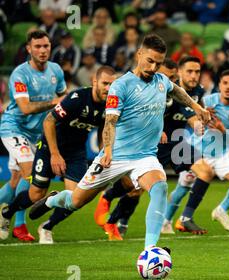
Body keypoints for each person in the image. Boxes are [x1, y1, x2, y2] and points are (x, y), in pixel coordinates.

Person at [26, 34, 210, 252]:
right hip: (115, 157)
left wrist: (198, 108)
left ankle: (150, 250)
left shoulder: (161, 82)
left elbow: (176, 91)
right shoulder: (121, 86)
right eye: (150, 61)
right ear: (139, 54)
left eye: (158, 63)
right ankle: (54, 200)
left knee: (159, 187)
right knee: (75, 202)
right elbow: (110, 122)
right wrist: (108, 151)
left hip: (145, 157)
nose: (153, 67)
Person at [0, 67, 115, 244]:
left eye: (112, 84)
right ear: (94, 81)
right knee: (36, 194)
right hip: (49, 148)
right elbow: (48, 121)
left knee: (76, 198)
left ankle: (47, 227)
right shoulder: (77, 99)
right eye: (105, 83)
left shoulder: (109, 106)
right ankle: (7, 212)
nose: (108, 88)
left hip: (75, 153)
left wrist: (103, 152)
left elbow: (103, 129)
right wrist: (54, 154)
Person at [95, 56, 207, 238]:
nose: (194, 76)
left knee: (205, 170)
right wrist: (160, 128)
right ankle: (113, 218)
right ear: (180, 73)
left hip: (177, 142)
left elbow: (194, 110)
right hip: (156, 144)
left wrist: (204, 117)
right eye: (190, 71)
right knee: (135, 190)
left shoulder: (193, 92)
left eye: (197, 72)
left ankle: (185, 218)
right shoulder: (160, 90)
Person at [0, 30, 66, 241]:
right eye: (37, 46)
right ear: (29, 49)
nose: (42, 50)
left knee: (16, 180)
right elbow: (26, 108)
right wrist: (53, 103)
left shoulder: (56, 70)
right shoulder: (20, 74)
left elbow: (64, 97)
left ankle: (11, 218)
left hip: (37, 134)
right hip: (14, 128)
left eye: (46, 46)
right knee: (31, 174)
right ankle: (17, 223)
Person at [177, 69, 229, 232]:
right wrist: (201, 115)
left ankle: (221, 210)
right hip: (197, 150)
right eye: (225, 83)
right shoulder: (207, 100)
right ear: (219, 85)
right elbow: (190, 120)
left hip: (220, 154)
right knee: (183, 187)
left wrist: (223, 130)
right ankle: (166, 221)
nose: (228, 87)